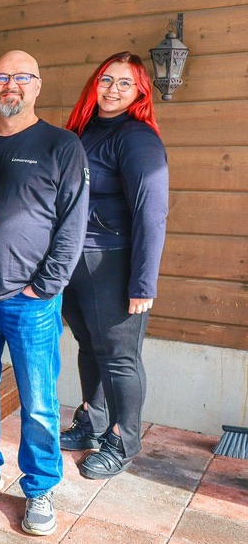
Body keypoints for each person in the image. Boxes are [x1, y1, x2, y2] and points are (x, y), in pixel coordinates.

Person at [0, 51, 89, 537]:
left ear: (36, 85)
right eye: (0, 77)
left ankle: (39, 487)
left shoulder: (62, 145)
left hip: (31, 300)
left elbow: (73, 224)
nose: (9, 85)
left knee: (38, 400)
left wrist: (45, 286)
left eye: (20, 77)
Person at [60, 52, 168, 480]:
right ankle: (93, 419)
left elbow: (151, 213)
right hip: (74, 258)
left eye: (125, 83)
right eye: (106, 79)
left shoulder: (137, 138)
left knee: (120, 356)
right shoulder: (82, 132)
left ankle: (124, 439)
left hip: (113, 260)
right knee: (90, 345)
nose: (113, 89)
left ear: (139, 92)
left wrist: (143, 283)